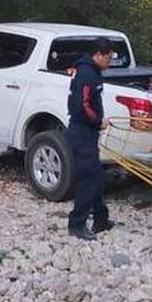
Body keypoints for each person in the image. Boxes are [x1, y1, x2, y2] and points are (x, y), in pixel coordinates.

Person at [67, 39, 116, 241]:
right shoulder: (87, 74)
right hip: (82, 131)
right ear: (98, 54)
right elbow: (82, 105)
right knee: (89, 178)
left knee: (95, 174)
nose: (110, 62)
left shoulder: (89, 71)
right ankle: (77, 224)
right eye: (108, 58)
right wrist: (98, 121)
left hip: (87, 131)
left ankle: (101, 219)